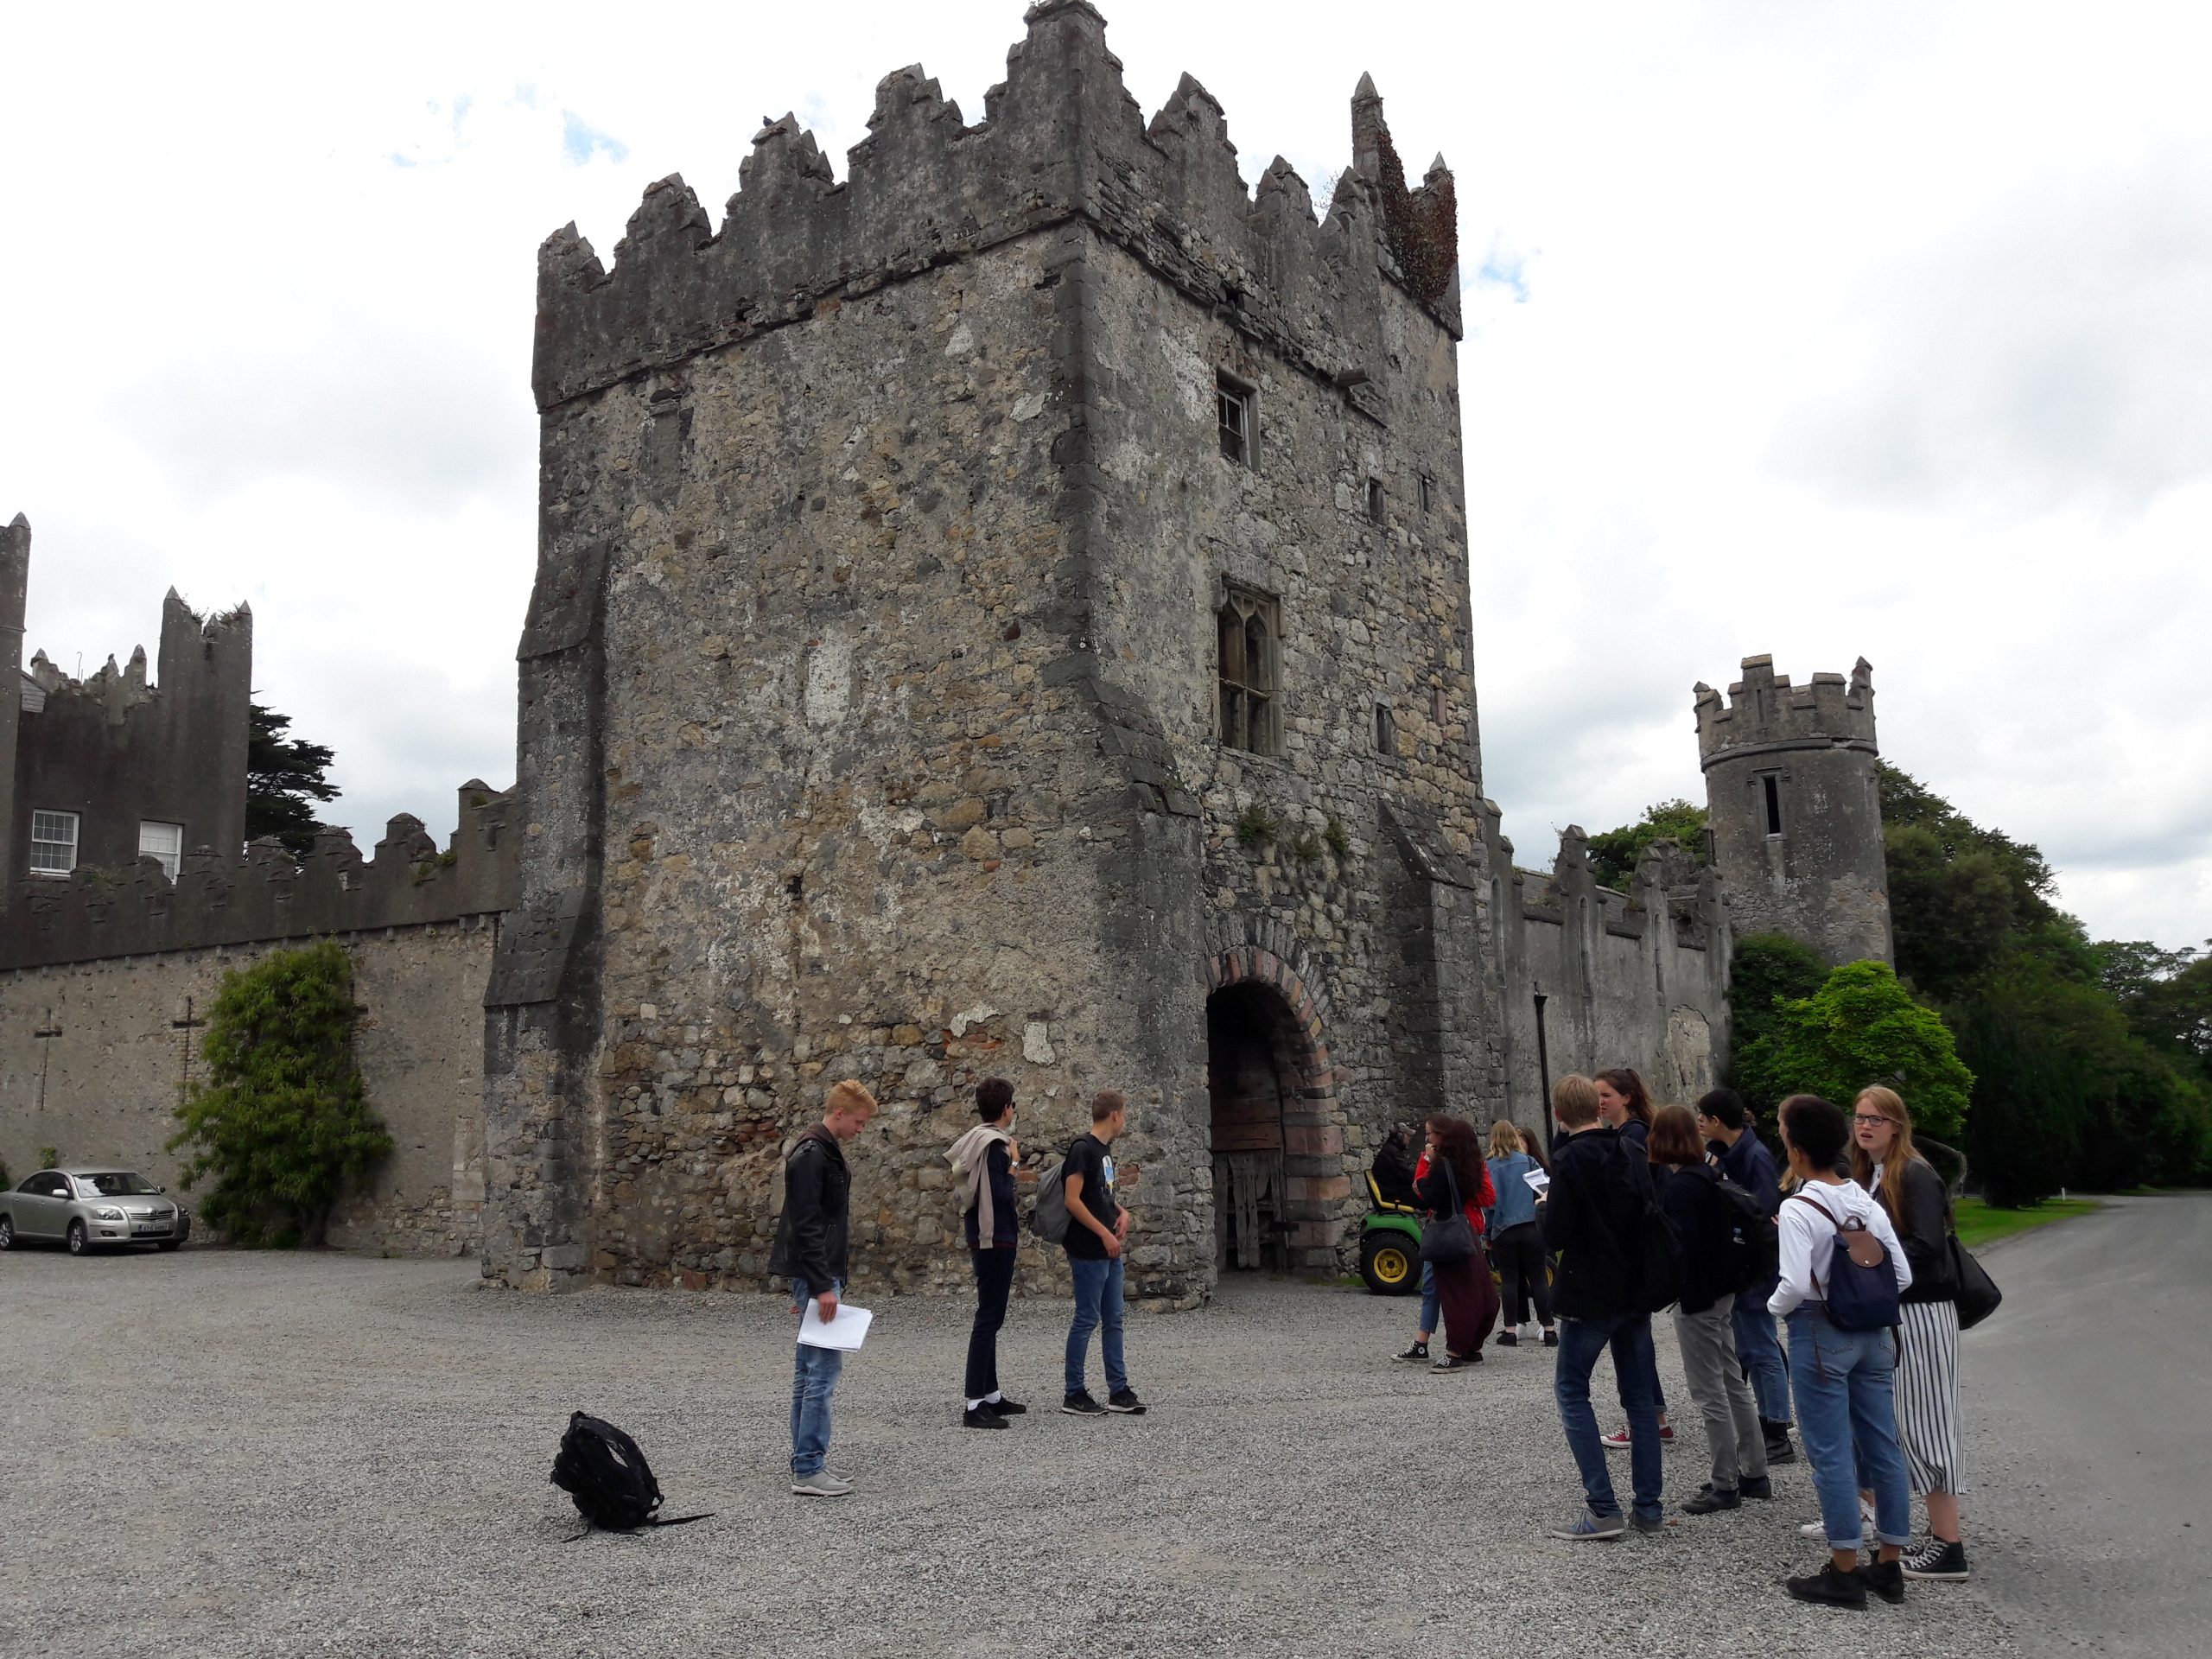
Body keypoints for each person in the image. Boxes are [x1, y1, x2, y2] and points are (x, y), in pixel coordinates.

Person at [1770, 1093, 1914, 1608]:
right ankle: (1889, 1563)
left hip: (1819, 1329)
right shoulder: (1866, 1203)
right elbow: (1902, 1275)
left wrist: (1773, 1308)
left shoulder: (1798, 1207)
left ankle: (1844, 1569)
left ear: (1795, 1146)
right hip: (1874, 1332)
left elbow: (1793, 1284)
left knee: (1830, 1452)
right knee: (1883, 1446)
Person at [1541, 1074, 1669, 1540]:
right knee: (1639, 1400)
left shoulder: (1570, 1159)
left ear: (1559, 1115)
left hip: (1592, 1290)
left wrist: (1545, 1206)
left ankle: (1602, 1506)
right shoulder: (1631, 1149)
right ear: (1598, 1108)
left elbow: (1556, 1236)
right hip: (1634, 1286)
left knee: (1572, 1390)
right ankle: (1648, 1508)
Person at [1853, 1085, 1971, 1582]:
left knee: (1929, 1422)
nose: (1865, 1126)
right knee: (1904, 1421)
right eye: (1860, 1117)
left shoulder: (1913, 1173)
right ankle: (1933, 1532)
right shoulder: (1876, 1173)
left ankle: (1949, 1545)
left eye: (1876, 1119)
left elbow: (1926, 1246)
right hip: (1900, 1309)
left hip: (1922, 1311)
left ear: (1897, 1125)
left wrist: (1867, 1262)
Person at [1648, 1103, 1771, 1515]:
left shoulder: (1681, 1187)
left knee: (1708, 1391)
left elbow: (1682, 1250)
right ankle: (1754, 1470)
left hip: (1698, 1297)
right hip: (1722, 1291)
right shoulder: (1709, 1174)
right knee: (1732, 1381)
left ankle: (1725, 1482)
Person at [768, 1078, 878, 1497]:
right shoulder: (813, 1155)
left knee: (807, 1371)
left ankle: (805, 1460)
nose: (860, 1130)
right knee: (823, 1372)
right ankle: (809, 1467)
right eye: (859, 1122)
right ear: (839, 1113)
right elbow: (807, 1225)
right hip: (817, 1274)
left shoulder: (819, 1151)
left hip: (816, 1273)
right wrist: (820, 1286)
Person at [1697, 1086, 1796, 1465]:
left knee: (1761, 1346)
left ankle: (1777, 1430)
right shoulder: (1725, 1153)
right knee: (1751, 1346)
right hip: (1738, 1263)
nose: (1699, 1123)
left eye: (1703, 1117)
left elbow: (1763, 1210)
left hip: (1754, 1265)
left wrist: (1722, 1188)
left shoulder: (1753, 1156)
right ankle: (1767, 1421)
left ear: (1716, 1120)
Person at [1594, 1066, 1673, 1450]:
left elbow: (1635, 1197)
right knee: (1633, 1339)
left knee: (1631, 1342)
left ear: (1626, 1098)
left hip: (1634, 1253)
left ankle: (1645, 1420)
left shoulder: (1633, 1136)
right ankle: (1654, 1417)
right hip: (1637, 1250)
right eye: (1597, 1095)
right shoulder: (1631, 1134)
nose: (1599, 1102)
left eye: (1606, 1095)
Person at [1061, 1090, 1147, 1417]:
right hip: (1088, 1249)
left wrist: (1120, 1212)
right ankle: (1074, 1393)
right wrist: (1103, 1233)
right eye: (1124, 1114)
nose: (1125, 1120)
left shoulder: (1105, 1152)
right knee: (1086, 1319)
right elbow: (1072, 1200)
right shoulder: (1082, 1149)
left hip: (1108, 1250)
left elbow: (1100, 1196)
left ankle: (1118, 1390)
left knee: (1114, 1319)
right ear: (1115, 1114)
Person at [948, 1077, 1026, 1430]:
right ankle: (974, 1403)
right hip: (995, 1237)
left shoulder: (975, 1139)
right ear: (1007, 1108)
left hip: (980, 1234)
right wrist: (1015, 1163)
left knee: (991, 1316)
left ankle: (991, 1394)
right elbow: (1001, 1192)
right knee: (988, 1318)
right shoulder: (996, 1145)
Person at [1412, 1116, 1500, 1371]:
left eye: (1430, 1133)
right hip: (1469, 1231)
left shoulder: (1442, 1165)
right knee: (1476, 1291)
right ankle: (1472, 1345)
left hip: (1447, 1234)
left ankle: (1453, 1350)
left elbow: (1430, 1197)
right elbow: (1488, 1196)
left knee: (1452, 1294)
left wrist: (1424, 1173)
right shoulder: (1473, 1165)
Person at [1484, 1120, 1555, 1347]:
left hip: (1503, 1229)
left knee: (1510, 1280)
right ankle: (1549, 1329)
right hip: (1531, 1226)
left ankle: (1511, 1331)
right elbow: (1544, 1191)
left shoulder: (1489, 1167)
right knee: (1538, 1278)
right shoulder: (1528, 1161)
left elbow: (1489, 1204)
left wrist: (1488, 1234)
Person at [1393, 1131, 1445, 1363]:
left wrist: (1426, 1165)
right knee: (1432, 1287)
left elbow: (1424, 1193)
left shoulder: (1449, 1162)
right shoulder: (1394, 1154)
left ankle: (1459, 1345)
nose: (1426, 1140)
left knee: (1443, 1287)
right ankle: (1423, 1343)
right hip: (1448, 1227)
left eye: (1429, 1134)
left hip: (1449, 1229)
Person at [1371, 1123, 1421, 1208]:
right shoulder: (1392, 1152)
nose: (1410, 1139)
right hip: (1392, 1196)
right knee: (1427, 1197)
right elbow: (1409, 1175)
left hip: (1391, 1192)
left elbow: (1404, 1171)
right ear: (1400, 1136)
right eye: (1408, 1136)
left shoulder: (1390, 1150)